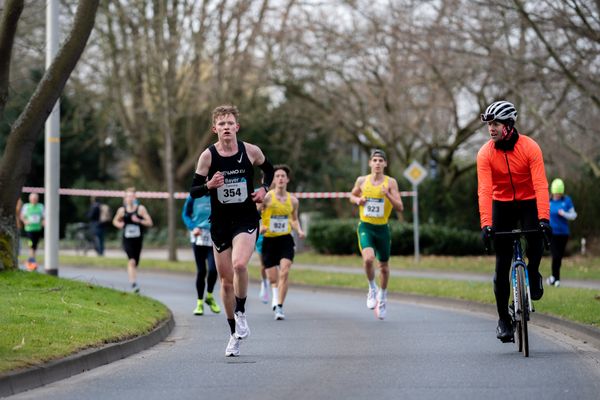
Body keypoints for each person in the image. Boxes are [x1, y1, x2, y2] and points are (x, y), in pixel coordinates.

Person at [189, 104, 274, 357]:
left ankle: (241, 310)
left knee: (239, 265)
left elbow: (268, 170)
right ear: (214, 129)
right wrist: (209, 185)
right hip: (220, 223)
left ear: (237, 127)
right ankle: (233, 332)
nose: (226, 127)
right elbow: (193, 192)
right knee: (225, 282)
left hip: (246, 218)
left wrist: (264, 190)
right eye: (221, 124)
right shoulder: (208, 156)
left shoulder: (250, 151)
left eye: (230, 123)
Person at [477, 100, 552, 343]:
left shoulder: (530, 148)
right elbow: (485, 190)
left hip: (529, 199)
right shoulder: (485, 153)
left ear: (509, 125)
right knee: (502, 264)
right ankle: (503, 320)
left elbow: (540, 184)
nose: (491, 128)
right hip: (502, 203)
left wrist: (544, 218)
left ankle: (532, 271)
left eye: (496, 123)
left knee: (536, 238)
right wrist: (486, 224)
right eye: (489, 124)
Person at [349, 149, 404, 320]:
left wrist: (388, 194)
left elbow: (400, 207)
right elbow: (352, 195)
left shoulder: (391, 182)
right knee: (368, 259)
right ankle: (372, 287)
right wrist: (358, 200)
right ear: (370, 163)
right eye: (375, 160)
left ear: (385, 164)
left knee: (384, 268)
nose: (378, 163)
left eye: (381, 160)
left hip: (382, 229)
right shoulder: (362, 180)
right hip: (366, 226)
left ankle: (383, 297)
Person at [259, 165, 305, 320]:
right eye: (277, 176)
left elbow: (293, 219)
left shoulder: (293, 201)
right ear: (274, 179)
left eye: (282, 176)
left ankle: (279, 306)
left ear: (287, 179)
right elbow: (255, 213)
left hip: (285, 239)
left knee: (284, 271)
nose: (280, 178)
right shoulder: (266, 198)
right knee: (273, 277)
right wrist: (261, 226)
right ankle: (274, 294)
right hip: (269, 240)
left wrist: (299, 230)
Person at [182, 194, 221, 315]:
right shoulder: (194, 196)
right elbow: (185, 214)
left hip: (214, 237)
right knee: (201, 271)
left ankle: (209, 296)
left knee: (213, 270)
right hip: (198, 237)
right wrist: (193, 227)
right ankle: (199, 303)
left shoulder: (218, 194)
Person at [112, 188, 153, 293]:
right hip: (127, 240)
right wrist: (119, 224)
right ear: (124, 198)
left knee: (136, 262)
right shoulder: (122, 210)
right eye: (127, 196)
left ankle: (133, 279)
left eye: (131, 196)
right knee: (132, 261)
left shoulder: (140, 209)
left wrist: (139, 220)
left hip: (138, 240)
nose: (129, 198)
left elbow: (149, 222)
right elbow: (115, 221)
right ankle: (133, 283)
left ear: (135, 198)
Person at [548, 178, 577, 288]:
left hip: (564, 233)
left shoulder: (567, 200)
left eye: (559, 194)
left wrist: (564, 213)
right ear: (553, 192)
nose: (557, 196)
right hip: (552, 233)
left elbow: (574, 215)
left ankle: (553, 278)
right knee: (555, 255)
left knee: (559, 257)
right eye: (556, 194)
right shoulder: (548, 201)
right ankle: (556, 279)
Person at [20, 193, 45, 271]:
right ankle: (32, 262)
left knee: (35, 246)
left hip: (37, 229)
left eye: (35, 198)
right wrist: (25, 221)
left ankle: (31, 261)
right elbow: (22, 216)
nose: (34, 200)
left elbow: (44, 216)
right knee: (31, 245)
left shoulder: (40, 206)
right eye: (33, 198)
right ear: (30, 199)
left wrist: (43, 222)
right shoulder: (26, 206)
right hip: (29, 229)